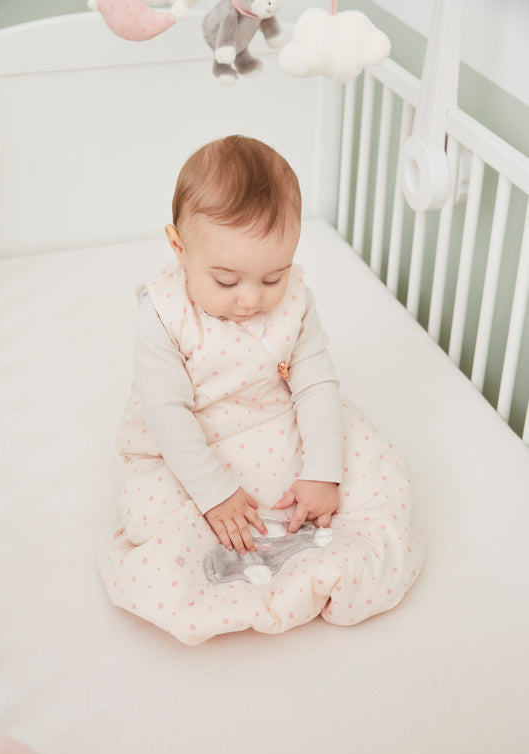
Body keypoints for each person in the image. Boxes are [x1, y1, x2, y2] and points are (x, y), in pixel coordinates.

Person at [99, 135, 423, 645]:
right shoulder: (163, 313)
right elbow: (167, 412)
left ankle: (341, 556)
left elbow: (315, 383)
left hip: (272, 417)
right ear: (180, 247)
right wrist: (214, 492)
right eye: (227, 281)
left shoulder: (296, 302)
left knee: (365, 456)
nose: (251, 299)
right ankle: (214, 578)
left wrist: (322, 471)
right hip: (187, 442)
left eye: (273, 278)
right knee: (161, 512)